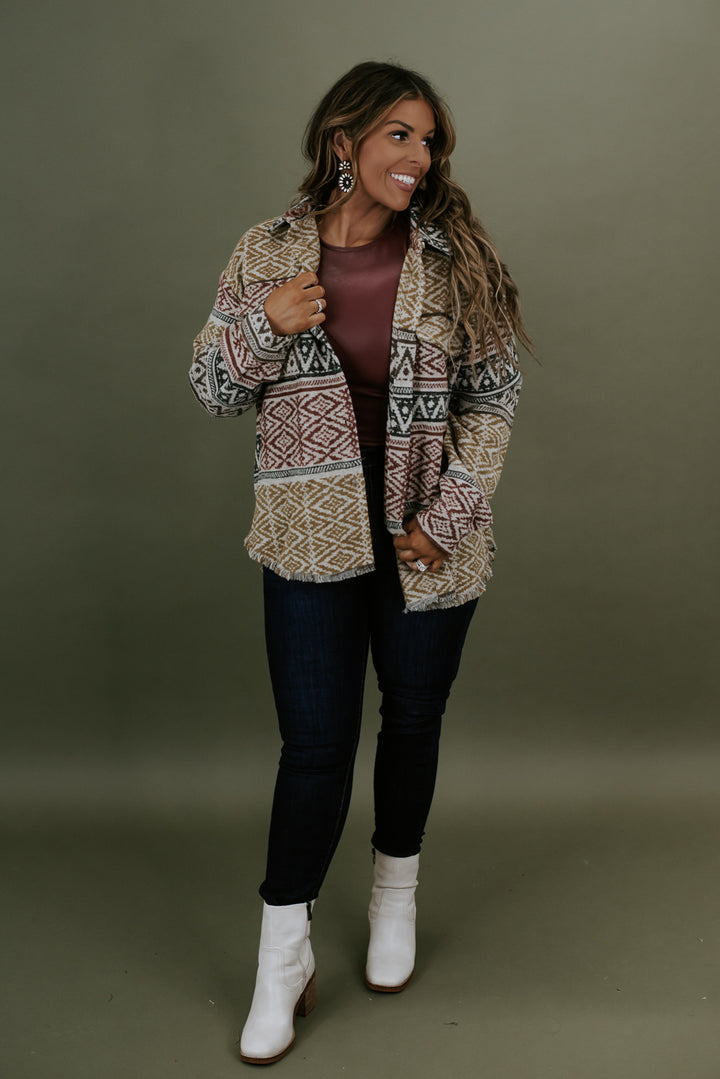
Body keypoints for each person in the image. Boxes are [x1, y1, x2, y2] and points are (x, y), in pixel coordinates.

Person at [189, 60, 532, 1066]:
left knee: (413, 719)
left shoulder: (457, 257)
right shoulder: (265, 250)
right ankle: (282, 954)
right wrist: (264, 327)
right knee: (314, 745)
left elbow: (494, 398)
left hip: (427, 531)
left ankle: (394, 895)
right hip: (309, 528)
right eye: (399, 135)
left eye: (430, 141)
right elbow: (210, 386)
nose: (420, 157)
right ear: (344, 141)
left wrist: (451, 513)